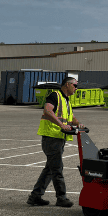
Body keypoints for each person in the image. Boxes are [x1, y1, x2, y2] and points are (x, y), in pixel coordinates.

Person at [27, 74, 82, 207]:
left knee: (50, 169)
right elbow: (48, 110)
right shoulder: (55, 95)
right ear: (67, 84)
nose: (76, 88)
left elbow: (71, 118)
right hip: (51, 138)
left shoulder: (66, 100)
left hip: (59, 138)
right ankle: (61, 197)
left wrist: (78, 124)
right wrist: (61, 125)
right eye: (75, 85)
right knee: (57, 168)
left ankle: (35, 196)